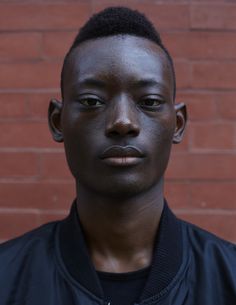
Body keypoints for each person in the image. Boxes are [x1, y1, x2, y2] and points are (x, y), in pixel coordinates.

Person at [0, 6, 235, 305]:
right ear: (58, 122)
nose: (122, 122)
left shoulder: (228, 277)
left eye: (149, 101)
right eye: (92, 101)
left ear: (177, 124)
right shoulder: (7, 279)